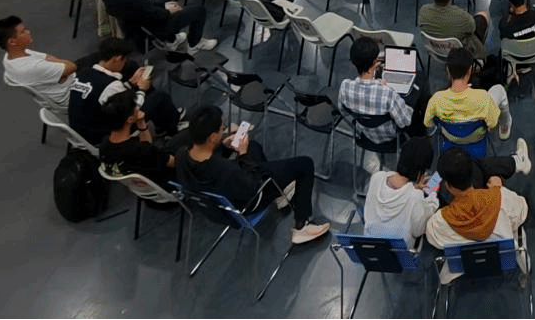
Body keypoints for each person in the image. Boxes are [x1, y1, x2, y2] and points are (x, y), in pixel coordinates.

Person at [176, 105, 330, 245]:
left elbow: (218, 166)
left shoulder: (182, 156)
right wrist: (243, 154)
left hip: (219, 204)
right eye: (221, 129)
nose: (224, 129)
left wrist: (224, 147)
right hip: (248, 201)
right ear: (212, 137)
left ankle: (279, 194)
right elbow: (253, 184)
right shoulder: (223, 170)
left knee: (253, 147)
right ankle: (302, 225)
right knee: (304, 164)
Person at [425, 148, 530, 282]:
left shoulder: (438, 222)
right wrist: (498, 188)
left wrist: (430, 195)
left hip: (461, 266)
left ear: (448, 186)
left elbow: (434, 241)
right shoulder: (502, 198)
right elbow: (522, 210)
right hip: (501, 260)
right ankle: (516, 161)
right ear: (472, 176)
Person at [68, 37, 181, 144]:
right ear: (117, 59)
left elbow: (112, 96)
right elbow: (132, 112)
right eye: (124, 60)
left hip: (82, 131)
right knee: (160, 97)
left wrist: (131, 83)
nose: (125, 63)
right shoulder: (111, 86)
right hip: (103, 136)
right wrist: (142, 89)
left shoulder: (83, 73)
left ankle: (164, 121)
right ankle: (172, 131)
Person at [339, 37, 415, 174]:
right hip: (391, 138)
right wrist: (384, 87)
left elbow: (343, 112)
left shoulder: (345, 87)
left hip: (365, 135)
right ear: (375, 62)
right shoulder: (387, 94)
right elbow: (405, 121)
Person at [362, 137, 439, 251]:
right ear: (421, 172)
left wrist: (413, 189)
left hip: (371, 248)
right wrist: (432, 198)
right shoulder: (415, 196)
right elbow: (419, 231)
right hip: (401, 253)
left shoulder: (376, 178)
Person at [424, 47, 514, 140]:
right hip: (477, 138)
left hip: (450, 138)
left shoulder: (436, 100)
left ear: (448, 70)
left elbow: (428, 123)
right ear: (470, 69)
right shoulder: (483, 98)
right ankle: (505, 125)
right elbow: (492, 124)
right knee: (499, 89)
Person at [0, 15, 78, 107]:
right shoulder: (31, 67)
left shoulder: (10, 57)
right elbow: (72, 67)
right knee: (90, 63)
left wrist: (54, 62)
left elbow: (49, 57)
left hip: (63, 84)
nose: (28, 32)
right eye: (23, 31)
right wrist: (55, 62)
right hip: (71, 94)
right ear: (12, 42)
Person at [99, 89, 176, 187]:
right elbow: (174, 162)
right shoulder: (142, 151)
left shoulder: (104, 146)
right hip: (165, 180)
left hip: (140, 183)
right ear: (130, 119)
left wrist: (141, 123)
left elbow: (147, 145)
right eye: (135, 106)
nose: (138, 108)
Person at [419, 0, 488, 60]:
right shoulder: (462, 16)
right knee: (482, 17)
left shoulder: (423, 11)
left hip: (436, 51)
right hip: (459, 54)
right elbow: (472, 29)